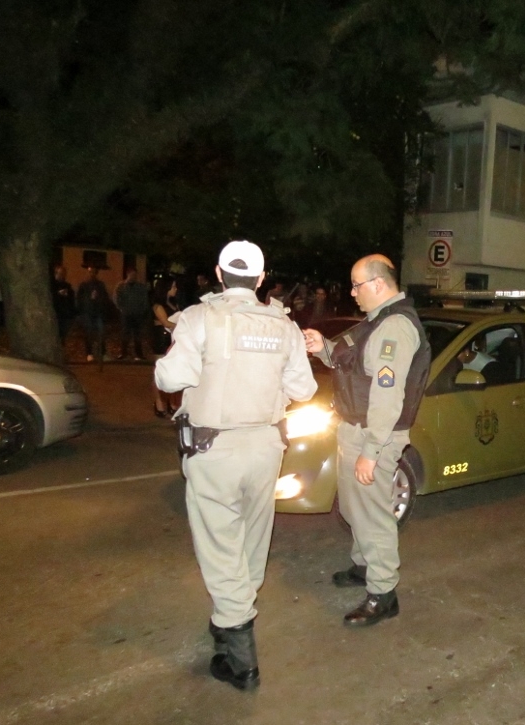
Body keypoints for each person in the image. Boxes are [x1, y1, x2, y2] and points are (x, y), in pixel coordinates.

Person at [155, 240, 317, 690]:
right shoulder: (283, 325)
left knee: (219, 541)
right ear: (262, 279)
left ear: (220, 274)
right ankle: (233, 613)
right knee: (251, 536)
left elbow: (170, 378)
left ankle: (241, 655)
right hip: (265, 447)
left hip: (215, 450)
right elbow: (303, 390)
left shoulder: (198, 318)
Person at [303, 254, 430, 627]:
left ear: (377, 284)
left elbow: (387, 398)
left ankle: (383, 593)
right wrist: (322, 346)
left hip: (375, 436)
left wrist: (371, 453)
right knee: (353, 508)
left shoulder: (394, 328)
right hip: (355, 429)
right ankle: (364, 566)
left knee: (373, 517)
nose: (353, 292)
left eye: (357, 285)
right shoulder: (375, 322)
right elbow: (353, 363)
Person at [151, 277, 180, 417]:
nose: (176, 289)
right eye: (173, 287)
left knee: (172, 371)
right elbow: (166, 323)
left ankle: (172, 402)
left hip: (172, 338)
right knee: (160, 371)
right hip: (161, 337)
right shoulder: (158, 305)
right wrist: (184, 325)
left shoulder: (174, 303)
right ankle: (159, 403)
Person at [113, 268, 150, 360]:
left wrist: (142, 310)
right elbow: (116, 298)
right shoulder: (121, 286)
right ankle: (123, 353)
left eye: (135, 275)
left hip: (137, 314)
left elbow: (145, 299)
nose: (134, 277)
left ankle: (138, 354)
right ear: (128, 275)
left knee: (137, 334)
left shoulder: (140, 287)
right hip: (126, 314)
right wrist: (121, 308)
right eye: (132, 275)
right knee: (125, 334)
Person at [76, 266, 110, 362]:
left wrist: (99, 300)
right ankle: (89, 353)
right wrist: (81, 311)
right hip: (87, 313)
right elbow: (79, 299)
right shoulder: (84, 285)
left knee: (101, 332)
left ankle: (103, 353)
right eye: (90, 272)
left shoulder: (100, 285)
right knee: (89, 333)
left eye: (93, 272)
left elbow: (105, 298)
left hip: (98, 313)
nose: (91, 274)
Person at [51, 265, 76, 345]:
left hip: (66, 315)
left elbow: (71, 298)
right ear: (56, 274)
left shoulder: (67, 286)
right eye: (60, 274)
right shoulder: (52, 285)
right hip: (56, 314)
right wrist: (58, 294)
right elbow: (50, 297)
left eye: (64, 274)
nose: (62, 276)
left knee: (63, 335)